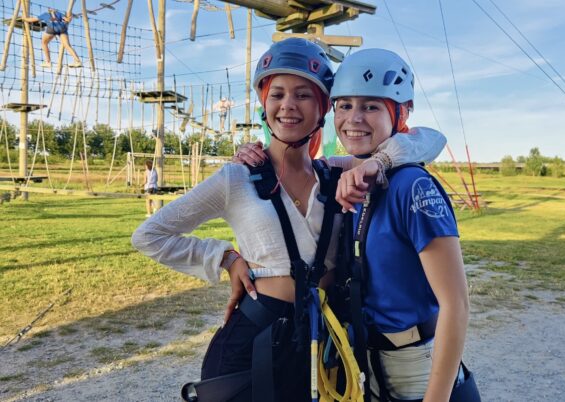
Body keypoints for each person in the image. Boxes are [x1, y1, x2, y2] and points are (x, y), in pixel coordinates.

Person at [132, 38, 445, 402]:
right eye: (277, 94)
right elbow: (150, 235)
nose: (288, 105)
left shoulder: (336, 173)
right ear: (264, 104)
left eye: (303, 95)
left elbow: (428, 140)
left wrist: (381, 161)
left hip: (322, 340)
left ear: (322, 108)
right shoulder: (237, 178)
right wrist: (224, 258)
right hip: (255, 338)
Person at [331, 49, 474, 402]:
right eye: (344, 105)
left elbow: (456, 304)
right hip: (367, 365)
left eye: (371, 106)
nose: (354, 118)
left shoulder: (412, 185)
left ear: (402, 113)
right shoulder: (351, 175)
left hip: (414, 369)